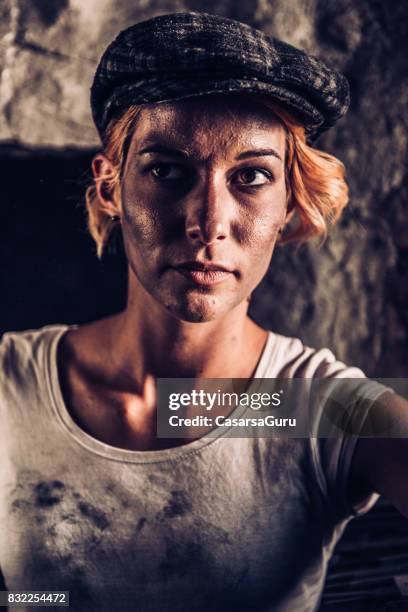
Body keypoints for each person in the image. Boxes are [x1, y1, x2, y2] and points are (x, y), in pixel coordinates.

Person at [0, 11, 407, 612]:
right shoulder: (12, 386)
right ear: (111, 186)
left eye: (251, 176)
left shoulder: (318, 410)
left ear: (288, 201)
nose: (209, 222)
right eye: (167, 170)